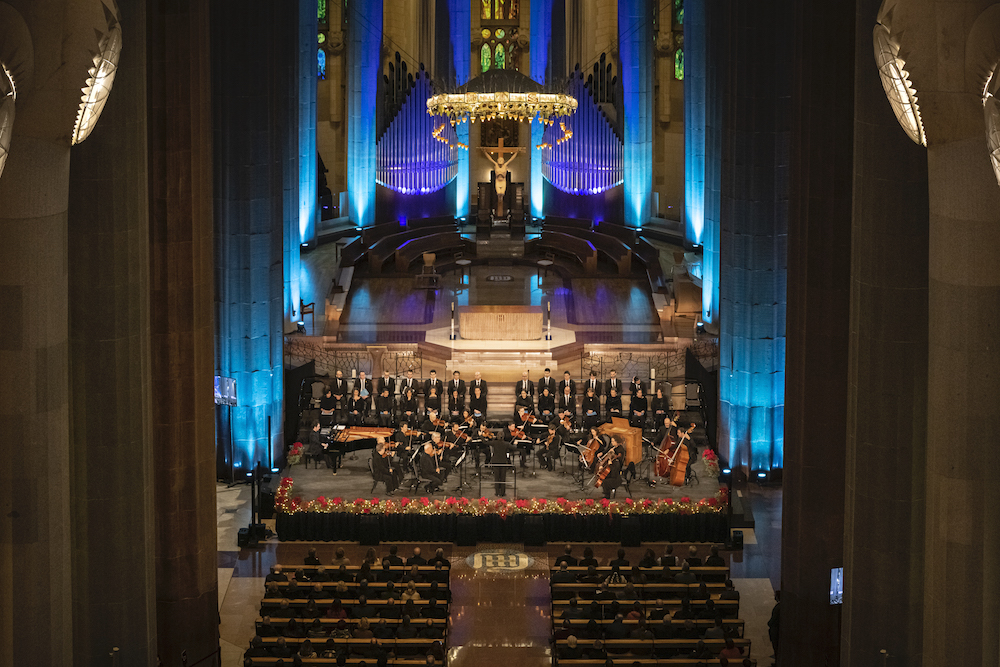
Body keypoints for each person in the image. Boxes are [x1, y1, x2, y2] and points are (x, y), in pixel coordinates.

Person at [768, 590, 780, 663]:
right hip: (777, 629)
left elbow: (774, 619)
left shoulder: (778, 608)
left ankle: (777, 662)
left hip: (775, 630)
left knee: (776, 647)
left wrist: (769, 623)